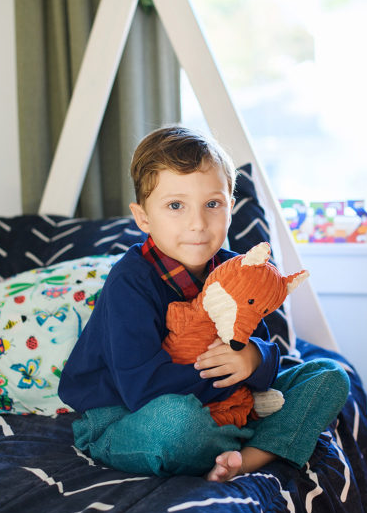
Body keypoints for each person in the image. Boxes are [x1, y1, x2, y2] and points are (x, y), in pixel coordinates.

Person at [58, 125, 350, 482]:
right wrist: (233, 377)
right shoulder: (130, 281)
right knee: (177, 424)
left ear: (231, 207)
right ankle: (246, 443)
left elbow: (260, 347)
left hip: (226, 408)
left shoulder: (237, 270)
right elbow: (142, 388)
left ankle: (244, 458)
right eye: (175, 206)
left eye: (212, 204)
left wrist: (253, 360)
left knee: (329, 376)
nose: (197, 223)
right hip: (125, 416)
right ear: (143, 217)